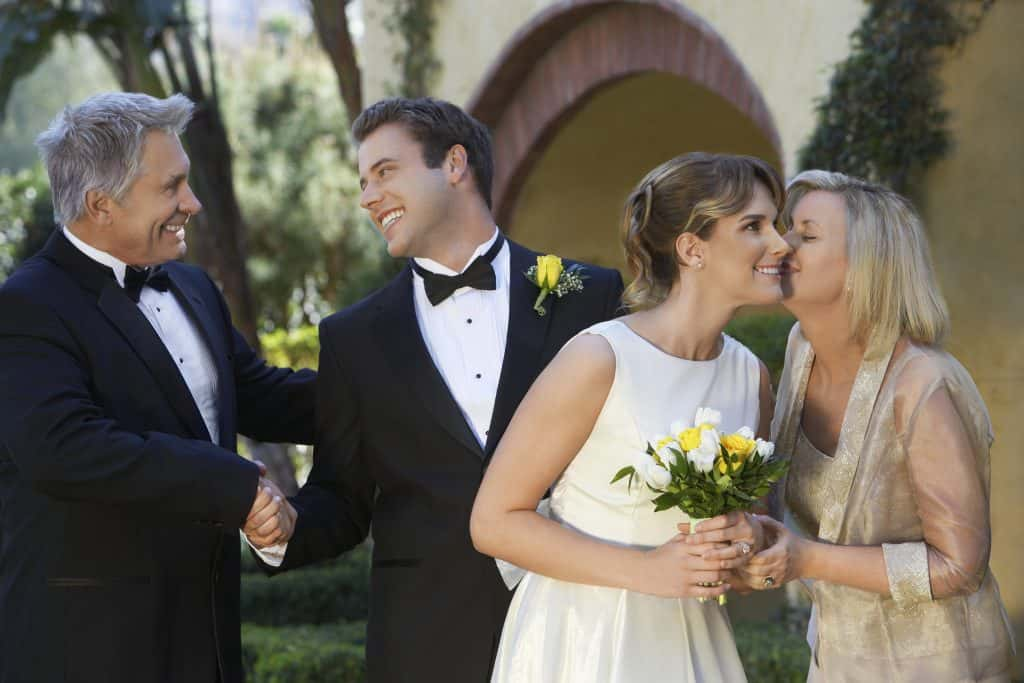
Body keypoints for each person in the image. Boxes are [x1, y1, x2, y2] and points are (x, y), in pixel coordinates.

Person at [246, 96, 624, 682]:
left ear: (454, 165)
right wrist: (281, 529)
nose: (368, 197)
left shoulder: (588, 298)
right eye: (363, 181)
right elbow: (342, 501)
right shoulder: (354, 339)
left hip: (579, 626)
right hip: (426, 645)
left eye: (385, 172)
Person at [0, 92, 314, 683]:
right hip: (88, 654)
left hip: (208, 646)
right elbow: (65, 450)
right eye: (171, 187)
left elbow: (263, 396)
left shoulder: (193, 287)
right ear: (100, 204)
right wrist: (231, 483)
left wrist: (394, 387)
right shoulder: (24, 308)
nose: (192, 203)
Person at [470, 152, 791, 681]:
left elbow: (754, 531)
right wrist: (645, 570)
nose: (780, 244)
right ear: (692, 249)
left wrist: (748, 543)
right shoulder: (599, 358)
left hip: (690, 638)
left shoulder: (750, 376)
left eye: (775, 225)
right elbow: (493, 522)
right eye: (754, 225)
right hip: (581, 639)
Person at [724, 170, 1016, 681]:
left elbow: (960, 566)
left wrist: (806, 559)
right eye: (787, 227)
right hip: (835, 659)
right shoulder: (802, 348)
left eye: (807, 235)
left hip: (940, 665)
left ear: (864, 267)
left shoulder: (922, 384)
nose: (781, 243)